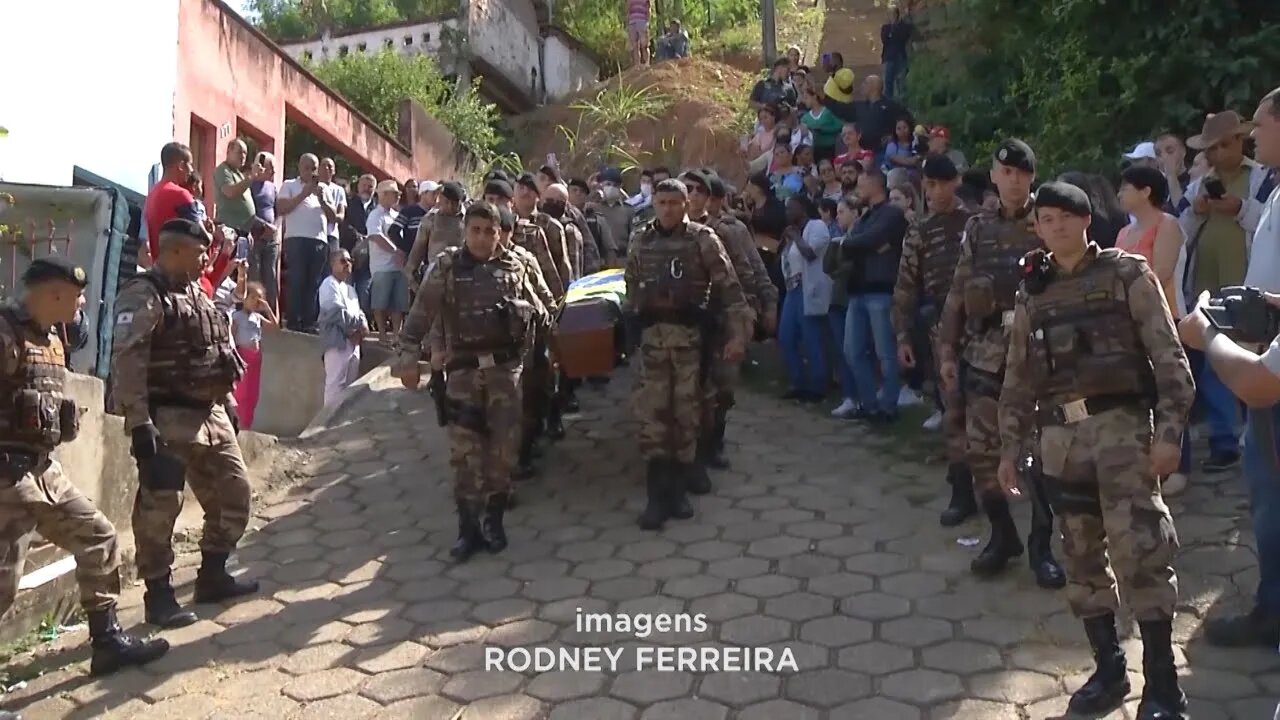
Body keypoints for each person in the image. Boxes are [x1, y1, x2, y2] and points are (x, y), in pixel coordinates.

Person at [1001, 182, 1193, 720]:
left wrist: (1171, 432)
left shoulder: (1128, 274)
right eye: (1045, 220)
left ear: (1086, 219)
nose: (1055, 227)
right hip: (1061, 441)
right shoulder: (1032, 291)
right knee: (1081, 557)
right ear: (1035, 227)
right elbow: (1017, 377)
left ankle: (1162, 687)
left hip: (1122, 433)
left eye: (1065, 217)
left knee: (1143, 555)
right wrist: (1009, 447)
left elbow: (1169, 357)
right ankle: (1108, 672)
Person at [0, 258, 170, 679]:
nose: (81, 305)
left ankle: (108, 642)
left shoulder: (53, 335)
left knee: (98, 537)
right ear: (53, 294)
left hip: (42, 471)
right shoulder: (6, 335)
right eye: (75, 297)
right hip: (6, 477)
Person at [111, 218, 259, 629]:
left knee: (235, 493)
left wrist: (226, 399)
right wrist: (138, 423)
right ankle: (158, 594)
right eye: (199, 253)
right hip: (167, 419)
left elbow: (215, 352)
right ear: (174, 251)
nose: (206, 260)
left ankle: (212, 575)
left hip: (209, 415)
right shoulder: (144, 295)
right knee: (161, 509)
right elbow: (128, 359)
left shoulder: (197, 294)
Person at [1176, 86, 1280, 651]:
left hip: (1264, 355)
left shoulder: (1263, 186)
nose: (1257, 137)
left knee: (1269, 491)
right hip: (1251, 325)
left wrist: (1211, 332)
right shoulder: (1272, 184)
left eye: (1261, 127)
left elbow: (1263, 386)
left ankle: (1272, 612)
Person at [938, 139, 1065, 588]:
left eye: (1022, 173)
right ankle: (1003, 536)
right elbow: (958, 290)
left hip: (1038, 357)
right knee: (981, 453)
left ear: (1032, 177)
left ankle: (1042, 547)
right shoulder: (978, 228)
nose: (1014, 180)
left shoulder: (1050, 222)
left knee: (1040, 461)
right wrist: (947, 350)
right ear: (993, 176)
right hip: (986, 355)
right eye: (1006, 172)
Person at [393, 203, 550, 560]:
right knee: (465, 455)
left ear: (500, 234)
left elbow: (544, 309)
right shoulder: (447, 267)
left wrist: (527, 314)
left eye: (489, 231)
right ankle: (467, 529)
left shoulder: (517, 265)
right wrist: (407, 356)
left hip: (505, 374)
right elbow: (420, 313)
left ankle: (494, 522)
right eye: (476, 230)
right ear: (466, 230)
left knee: (502, 452)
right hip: (463, 374)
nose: (482, 238)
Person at [625, 179, 751, 530]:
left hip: (690, 343)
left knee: (686, 417)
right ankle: (655, 498)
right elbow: (632, 287)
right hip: (653, 342)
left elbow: (730, 288)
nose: (667, 209)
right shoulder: (640, 239)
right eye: (661, 202)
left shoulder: (703, 239)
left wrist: (738, 333)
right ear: (653, 203)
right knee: (652, 418)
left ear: (685, 204)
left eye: (674, 203)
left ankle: (677, 490)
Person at [891, 156, 976, 525]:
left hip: (987, 329)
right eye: (930, 184)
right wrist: (902, 336)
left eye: (943, 183)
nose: (936, 191)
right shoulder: (920, 230)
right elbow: (906, 287)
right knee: (954, 411)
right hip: (944, 331)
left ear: (957, 182)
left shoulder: (977, 223)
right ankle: (961, 492)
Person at [839, 169, 907, 422]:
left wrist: (857, 245)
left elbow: (865, 240)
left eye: (862, 184)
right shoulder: (866, 216)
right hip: (857, 290)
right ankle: (869, 404)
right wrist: (859, 245)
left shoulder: (891, 214)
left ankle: (888, 406)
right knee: (852, 351)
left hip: (880, 289)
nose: (858, 190)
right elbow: (855, 242)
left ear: (875, 185)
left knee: (885, 353)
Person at [277, 154, 337, 333]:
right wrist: (304, 193)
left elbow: (334, 217)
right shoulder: (289, 185)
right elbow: (281, 208)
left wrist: (323, 201)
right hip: (296, 239)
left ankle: (310, 321)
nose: (311, 172)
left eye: (314, 168)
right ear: (299, 167)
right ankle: (294, 320)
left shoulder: (324, 189)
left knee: (314, 282)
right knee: (297, 279)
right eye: (307, 167)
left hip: (319, 241)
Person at [318, 250, 368, 406]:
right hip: (337, 342)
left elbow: (358, 312)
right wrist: (358, 326)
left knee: (349, 390)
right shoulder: (328, 284)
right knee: (334, 389)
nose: (347, 264)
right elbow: (335, 313)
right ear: (333, 264)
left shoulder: (350, 289)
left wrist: (362, 326)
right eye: (343, 261)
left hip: (354, 345)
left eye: (349, 261)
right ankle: (327, 429)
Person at [365, 179, 409, 344]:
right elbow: (376, 236)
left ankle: (396, 335)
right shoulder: (375, 215)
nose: (398, 196)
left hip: (398, 267)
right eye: (394, 194)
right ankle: (382, 334)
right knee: (380, 302)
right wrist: (395, 251)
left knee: (398, 303)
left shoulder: (396, 215)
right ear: (383, 195)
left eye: (398, 194)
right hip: (382, 266)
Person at [231, 281, 278, 430]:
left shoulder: (257, 317)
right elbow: (231, 337)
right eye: (253, 298)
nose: (256, 302)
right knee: (241, 394)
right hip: (242, 357)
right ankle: (238, 425)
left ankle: (247, 425)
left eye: (259, 298)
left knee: (252, 394)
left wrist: (267, 308)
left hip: (256, 359)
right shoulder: (236, 316)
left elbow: (275, 326)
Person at [406, 181, 467, 282]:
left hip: (461, 276)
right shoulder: (431, 219)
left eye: (455, 203)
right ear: (441, 199)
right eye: (447, 202)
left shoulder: (469, 219)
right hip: (435, 275)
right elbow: (418, 249)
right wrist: (411, 273)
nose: (450, 206)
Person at [880, 4, 913, 99]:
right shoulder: (885, 28)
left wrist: (894, 32)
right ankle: (888, 105)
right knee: (888, 83)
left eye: (893, 14)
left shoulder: (904, 26)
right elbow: (885, 40)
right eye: (890, 14)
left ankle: (900, 104)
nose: (892, 16)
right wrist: (893, 28)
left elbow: (904, 37)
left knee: (901, 83)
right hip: (888, 58)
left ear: (897, 14)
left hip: (900, 57)